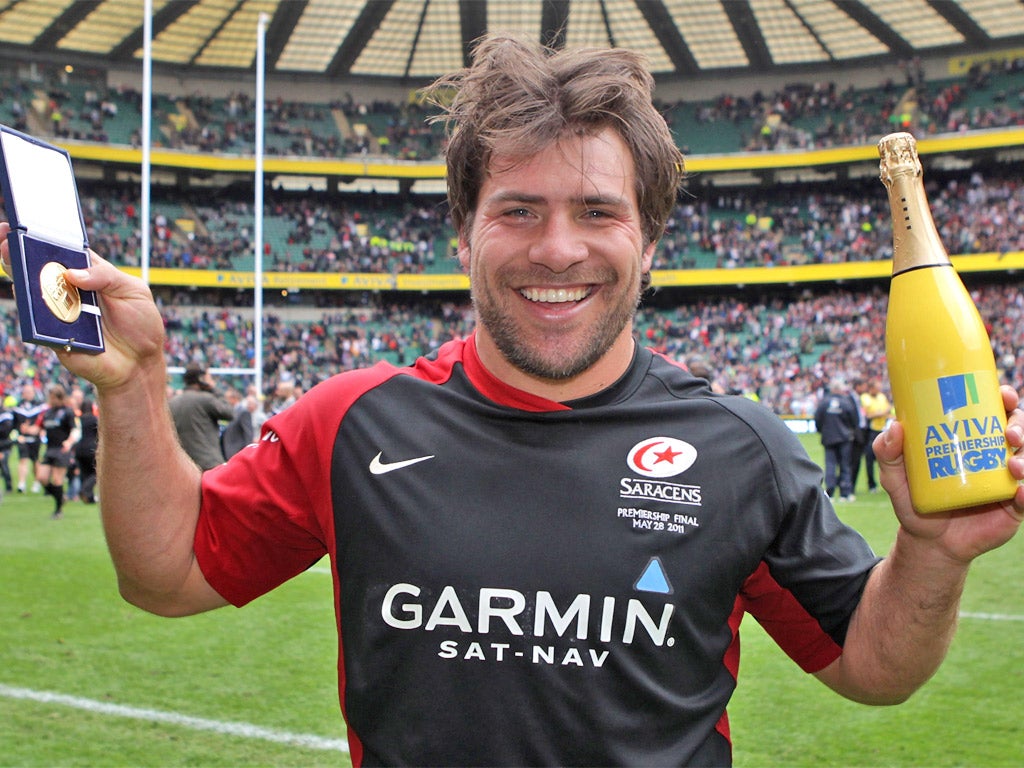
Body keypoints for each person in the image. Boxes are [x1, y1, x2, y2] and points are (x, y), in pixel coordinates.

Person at [1, 33, 1022, 767]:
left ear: (649, 243)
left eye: (597, 212)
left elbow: (871, 667)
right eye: (519, 210)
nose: (557, 249)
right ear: (465, 234)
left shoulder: (740, 447)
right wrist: (131, 384)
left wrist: (932, 549)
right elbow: (170, 573)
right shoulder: (352, 420)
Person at [167, 363, 235, 471]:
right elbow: (229, 413)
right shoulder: (206, 399)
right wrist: (213, 388)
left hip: (184, 468)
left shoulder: (172, 403)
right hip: (209, 464)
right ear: (201, 379)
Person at [36, 384, 80, 519]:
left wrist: (69, 442)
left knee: (57, 479)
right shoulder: (48, 412)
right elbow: (40, 428)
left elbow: (74, 429)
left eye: (53, 397)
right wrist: (28, 430)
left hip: (62, 450)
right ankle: (60, 496)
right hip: (50, 449)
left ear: (59, 397)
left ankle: (58, 510)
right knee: (41, 477)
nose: (51, 400)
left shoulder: (67, 412)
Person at [814, 376, 859, 502]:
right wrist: (850, 430)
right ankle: (845, 493)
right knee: (845, 465)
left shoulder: (824, 402)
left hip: (829, 437)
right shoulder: (846, 402)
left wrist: (822, 431)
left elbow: (817, 419)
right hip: (844, 438)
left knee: (830, 465)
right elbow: (854, 420)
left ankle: (831, 492)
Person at [11, 382, 45, 494]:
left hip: (35, 437)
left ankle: (37, 482)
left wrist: (36, 429)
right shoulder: (18, 407)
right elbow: (14, 425)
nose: (28, 394)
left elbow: (43, 423)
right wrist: (18, 433)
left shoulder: (39, 406)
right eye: (26, 392)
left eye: (30, 392)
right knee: (23, 459)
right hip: (23, 438)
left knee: (36, 460)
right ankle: (21, 483)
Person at [861, 377, 893, 493]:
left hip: (883, 430)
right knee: (869, 458)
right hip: (871, 431)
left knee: (886, 458)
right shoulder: (865, 398)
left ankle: (888, 483)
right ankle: (871, 484)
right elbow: (867, 414)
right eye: (877, 388)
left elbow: (888, 410)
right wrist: (881, 413)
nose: (879, 390)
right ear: (871, 388)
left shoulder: (881, 397)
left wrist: (882, 414)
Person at [75, 397, 99, 504]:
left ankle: (89, 498)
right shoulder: (94, 420)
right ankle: (85, 489)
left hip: (79, 449)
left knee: (84, 472)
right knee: (96, 472)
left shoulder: (78, 419)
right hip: (91, 448)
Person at [220, 393, 258, 460]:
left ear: (234, 399)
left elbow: (248, 433)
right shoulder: (231, 411)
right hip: (228, 451)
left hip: (237, 451)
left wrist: (248, 453)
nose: (225, 401)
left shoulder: (243, 412)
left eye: (227, 399)